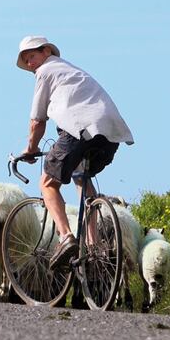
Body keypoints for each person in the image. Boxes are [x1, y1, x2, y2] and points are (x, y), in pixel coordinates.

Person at [16, 35, 134, 270]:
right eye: (26, 61)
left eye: (31, 57)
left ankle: (66, 237)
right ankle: (94, 245)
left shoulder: (46, 71)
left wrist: (31, 149)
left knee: (48, 183)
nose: (30, 64)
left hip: (78, 129)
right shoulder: (72, 71)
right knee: (82, 179)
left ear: (46, 51)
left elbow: (37, 121)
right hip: (110, 134)